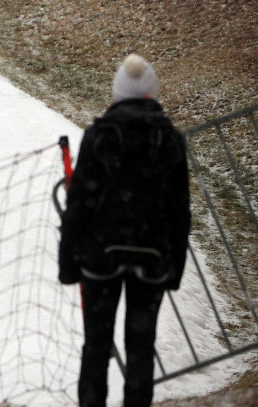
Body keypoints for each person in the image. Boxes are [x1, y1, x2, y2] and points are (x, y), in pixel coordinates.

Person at [59, 54, 191, 407]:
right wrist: (174, 268)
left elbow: (80, 205)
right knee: (141, 346)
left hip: (100, 256)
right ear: (151, 94)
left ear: (117, 92)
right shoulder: (171, 141)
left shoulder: (99, 137)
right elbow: (180, 212)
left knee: (96, 346)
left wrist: (68, 262)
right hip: (153, 258)